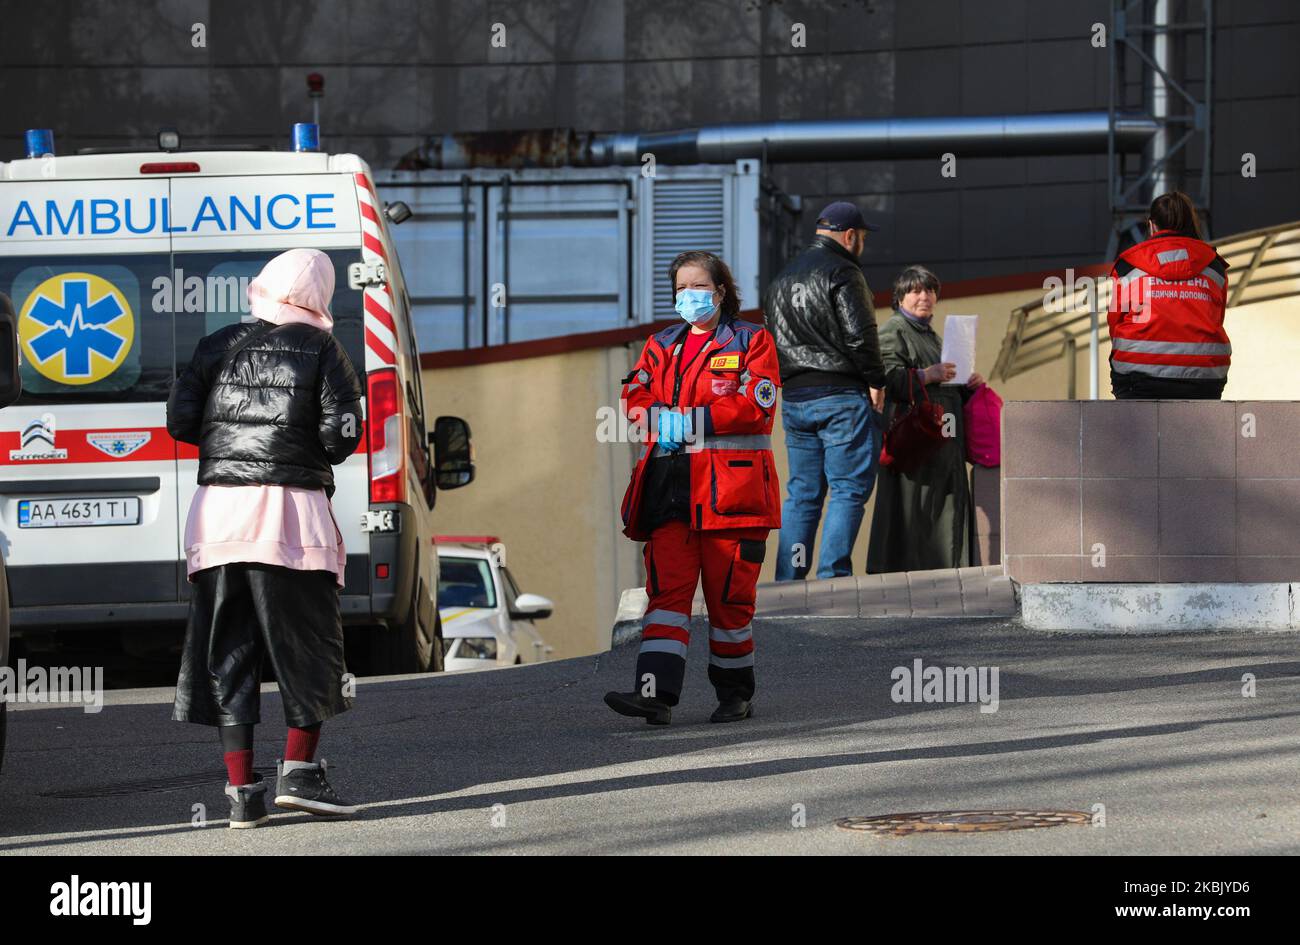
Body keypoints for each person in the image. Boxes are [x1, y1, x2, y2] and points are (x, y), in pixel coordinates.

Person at [167, 248, 364, 828]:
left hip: (217, 518)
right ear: (319, 297)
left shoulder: (216, 344)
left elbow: (180, 421)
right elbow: (340, 432)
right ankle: (300, 774)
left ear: (264, 288)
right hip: (290, 517)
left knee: (228, 650)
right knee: (307, 646)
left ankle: (241, 794)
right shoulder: (324, 349)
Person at [605, 251, 781, 726]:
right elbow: (634, 396)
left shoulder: (752, 341)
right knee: (665, 599)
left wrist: (687, 421)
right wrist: (656, 418)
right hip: (670, 491)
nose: (689, 296)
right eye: (680, 288)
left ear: (722, 291)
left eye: (698, 286)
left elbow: (755, 406)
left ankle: (735, 695)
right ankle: (655, 696)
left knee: (730, 603)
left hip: (733, 495)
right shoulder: (661, 343)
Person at [763, 201, 888, 581]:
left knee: (802, 494)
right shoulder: (844, 272)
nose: (862, 244)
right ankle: (831, 577)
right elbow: (860, 335)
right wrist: (876, 380)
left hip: (796, 399)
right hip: (840, 396)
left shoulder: (780, 279)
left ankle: (788, 578)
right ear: (850, 236)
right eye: (861, 237)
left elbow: (771, 339)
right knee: (847, 489)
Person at [865, 265, 983, 574]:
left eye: (929, 290)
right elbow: (884, 376)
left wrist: (967, 383)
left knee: (939, 507)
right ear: (901, 297)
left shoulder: (929, 334)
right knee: (913, 508)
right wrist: (925, 375)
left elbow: (943, 381)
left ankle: (944, 570)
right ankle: (909, 574)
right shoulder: (894, 330)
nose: (924, 296)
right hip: (915, 443)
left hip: (941, 440)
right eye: (916, 290)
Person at [1108, 191, 1230, 399]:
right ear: (1191, 222)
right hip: (1204, 378)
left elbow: (1115, 323)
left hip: (1139, 378)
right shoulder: (1214, 265)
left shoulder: (1128, 265)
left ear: (1152, 225)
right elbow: (1216, 317)